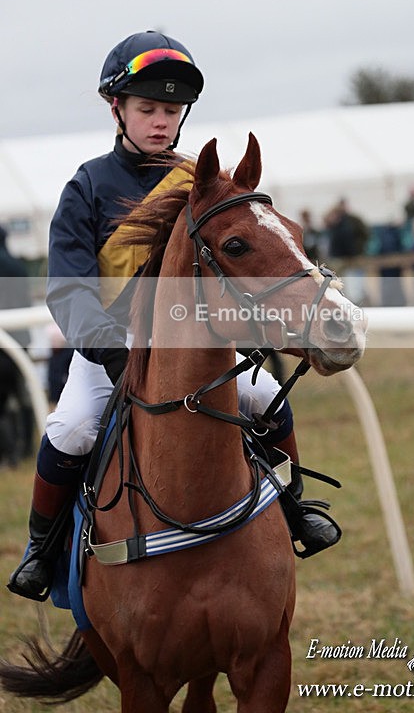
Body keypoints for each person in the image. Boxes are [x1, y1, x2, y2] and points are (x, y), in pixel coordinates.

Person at [8, 31, 339, 601]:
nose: (160, 121)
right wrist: (116, 354)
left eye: (171, 110)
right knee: (72, 428)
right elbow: (69, 291)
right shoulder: (85, 187)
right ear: (117, 109)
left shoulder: (200, 183)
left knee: (261, 394)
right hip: (109, 347)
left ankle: (294, 504)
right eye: (147, 109)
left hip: (194, 341)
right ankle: (41, 550)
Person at [0, 226, 34, 466]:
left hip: (3, 342)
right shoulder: (18, 266)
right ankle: (26, 448)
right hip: (22, 340)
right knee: (24, 395)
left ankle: (9, 452)